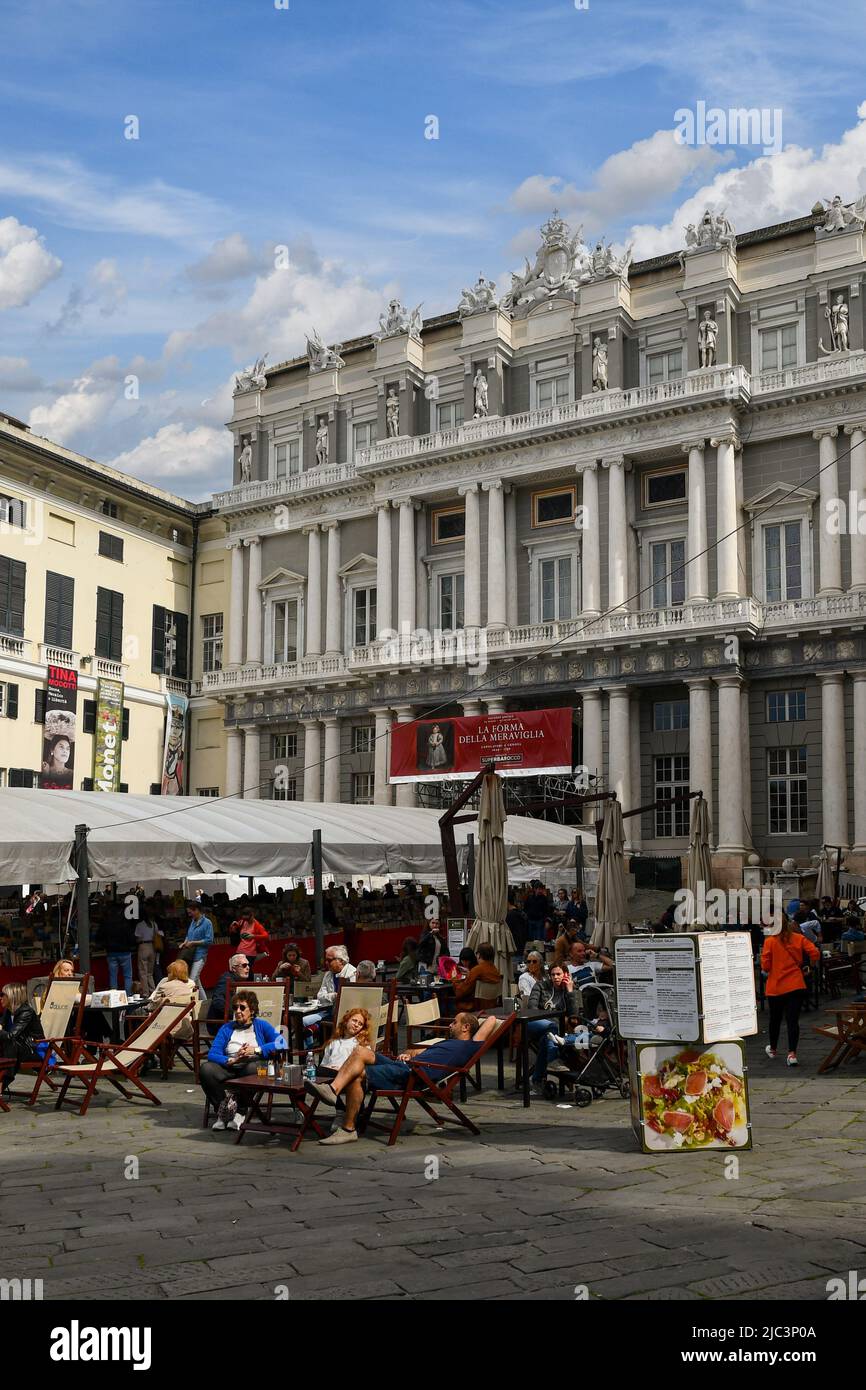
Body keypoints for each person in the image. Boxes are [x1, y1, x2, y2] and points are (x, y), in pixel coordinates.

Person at [308, 1011, 500, 1145]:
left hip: (413, 1075)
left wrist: (474, 1019)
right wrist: (409, 1054)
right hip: (406, 1066)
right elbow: (414, 1051)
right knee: (360, 1051)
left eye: (455, 1022)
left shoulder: (470, 1046)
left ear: (466, 1027)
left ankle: (348, 1128)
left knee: (357, 1076)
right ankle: (333, 1091)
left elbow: (491, 1019)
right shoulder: (448, 1042)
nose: (450, 1025)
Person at [202, 991, 285, 1132]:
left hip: (253, 1066)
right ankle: (224, 1111)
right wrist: (231, 1060)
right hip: (231, 1066)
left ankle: (240, 1111)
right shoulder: (227, 1028)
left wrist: (256, 1050)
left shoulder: (261, 1025)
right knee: (206, 1069)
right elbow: (213, 1054)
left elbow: (282, 1043)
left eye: (242, 1007)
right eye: (235, 1008)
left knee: (252, 1068)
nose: (238, 1011)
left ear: (252, 1010)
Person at [761, 914, 820, 1066]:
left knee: (775, 1019)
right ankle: (792, 1054)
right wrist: (811, 966)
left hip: (776, 987)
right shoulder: (798, 938)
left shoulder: (770, 942)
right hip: (796, 984)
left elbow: (766, 967)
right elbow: (815, 952)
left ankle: (773, 1049)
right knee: (792, 1020)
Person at [526, 962, 579, 1093]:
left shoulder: (570, 988)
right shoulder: (540, 986)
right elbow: (532, 1009)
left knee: (547, 1038)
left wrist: (570, 991)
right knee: (551, 1027)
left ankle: (537, 1079)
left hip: (555, 1031)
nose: (555, 977)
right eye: (553, 974)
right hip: (536, 1024)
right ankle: (554, 1062)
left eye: (558, 974)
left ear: (566, 975)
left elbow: (574, 1016)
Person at [302, 945, 357, 1049]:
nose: (326, 963)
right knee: (303, 1021)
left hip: (345, 1014)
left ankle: (317, 1038)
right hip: (327, 1010)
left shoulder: (351, 973)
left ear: (341, 961)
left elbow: (349, 998)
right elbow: (320, 996)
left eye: (329, 960)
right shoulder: (328, 974)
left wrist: (332, 997)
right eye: (326, 960)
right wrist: (334, 996)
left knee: (319, 1025)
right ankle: (309, 1052)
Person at [0, 982, 45, 1092]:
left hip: (35, 1049)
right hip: (17, 1048)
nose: (0, 997)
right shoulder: (8, 1011)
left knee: (10, 1043)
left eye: (3, 995)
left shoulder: (26, 1011)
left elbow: (11, 1035)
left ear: (12, 996)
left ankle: (3, 1082)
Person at [147, 960, 200, 1042]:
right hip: (184, 1026)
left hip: (165, 1026)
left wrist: (147, 1007)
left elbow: (153, 1006)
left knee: (136, 1016)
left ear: (173, 974)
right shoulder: (187, 988)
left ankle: (138, 1047)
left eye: (169, 973)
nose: (167, 975)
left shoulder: (165, 986)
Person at [207, 954, 251, 1032]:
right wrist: (235, 1013)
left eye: (248, 964)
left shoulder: (238, 980)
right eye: (244, 965)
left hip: (232, 1021)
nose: (248, 967)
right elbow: (217, 1001)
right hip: (219, 1024)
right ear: (234, 968)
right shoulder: (225, 980)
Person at [180, 900, 214, 1000]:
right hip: (191, 955)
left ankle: (190, 1003)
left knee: (192, 980)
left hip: (200, 955)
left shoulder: (207, 923)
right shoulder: (193, 922)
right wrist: (185, 942)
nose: (189, 915)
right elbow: (188, 935)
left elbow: (209, 940)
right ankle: (206, 1003)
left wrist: (193, 943)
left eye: (190, 912)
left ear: (197, 910)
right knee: (196, 981)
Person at [103, 909, 137, 995]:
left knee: (113, 976)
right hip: (125, 952)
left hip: (111, 953)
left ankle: (114, 995)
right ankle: (128, 995)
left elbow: (101, 937)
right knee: (127, 976)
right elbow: (131, 938)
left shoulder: (107, 924)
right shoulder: (125, 924)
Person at [135, 902, 158, 997]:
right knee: (150, 973)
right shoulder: (154, 924)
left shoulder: (140, 925)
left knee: (143, 972)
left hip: (143, 946)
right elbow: (157, 936)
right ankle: (153, 990)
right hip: (152, 947)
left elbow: (137, 938)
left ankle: (145, 992)